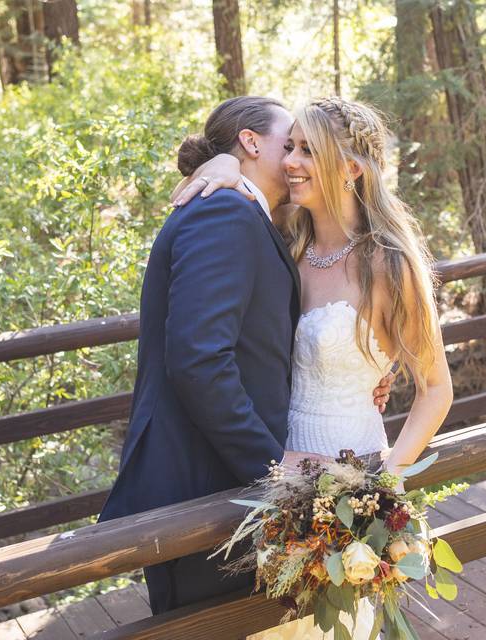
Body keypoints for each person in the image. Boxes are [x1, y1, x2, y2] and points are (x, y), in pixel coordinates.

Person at [97, 96, 393, 618]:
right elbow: (198, 361)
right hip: (201, 483)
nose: (299, 157)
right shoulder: (225, 212)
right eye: (290, 142)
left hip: (227, 479)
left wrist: (369, 368)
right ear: (251, 142)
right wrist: (275, 467)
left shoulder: (257, 216)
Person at [176, 97, 454, 639]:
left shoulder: (388, 262)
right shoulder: (286, 240)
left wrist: (383, 486)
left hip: (352, 477)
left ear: (350, 168)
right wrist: (224, 162)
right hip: (273, 469)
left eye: (308, 150)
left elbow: (436, 388)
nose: (291, 161)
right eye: (291, 146)